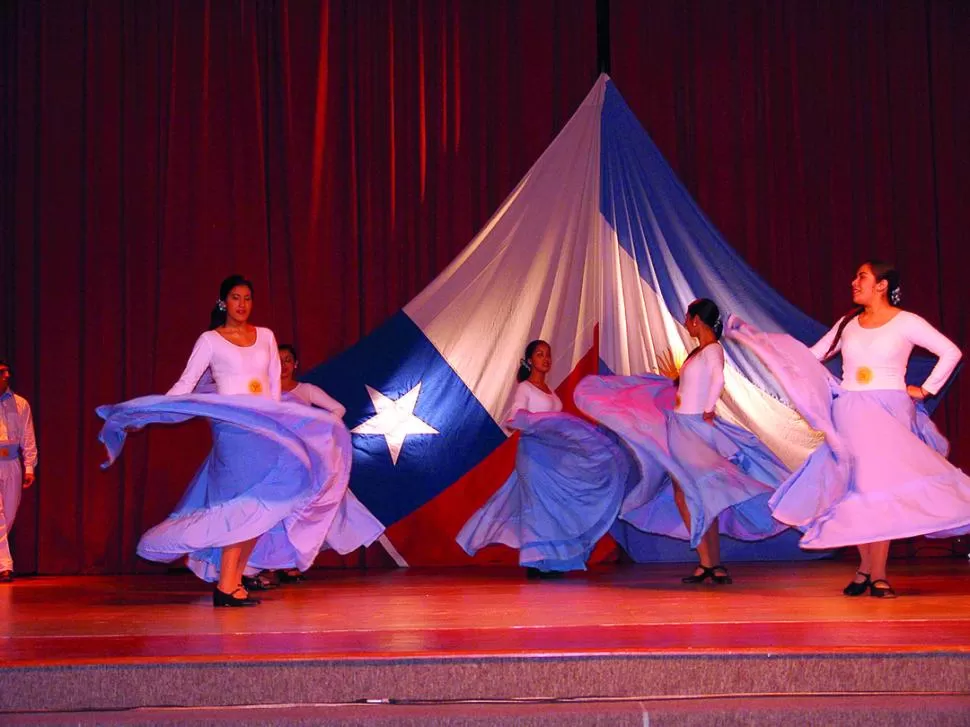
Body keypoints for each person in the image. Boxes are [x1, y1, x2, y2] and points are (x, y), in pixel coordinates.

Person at [97, 275, 354, 606]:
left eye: (247, 298)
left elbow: (274, 388)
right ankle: (227, 584)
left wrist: (283, 424)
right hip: (232, 430)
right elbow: (186, 385)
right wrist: (150, 415)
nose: (242, 304)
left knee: (266, 505)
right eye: (235, 298)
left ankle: (231, 583)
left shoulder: (266, 337)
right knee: (243, 504)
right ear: (223, 302)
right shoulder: (210, 340)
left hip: (265, 427)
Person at [727, 261, 967, 598]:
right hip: (852, 410)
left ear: (882, 285)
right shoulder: (849, 324)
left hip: (889, 411)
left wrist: (925, 389)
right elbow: (813, 356)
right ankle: (866, 570)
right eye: (855, 276)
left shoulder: (906, 322)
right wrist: (771, 351)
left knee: (880, 488)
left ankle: (877, 572)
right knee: (857, 489)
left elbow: (950, 352)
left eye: (862, 277)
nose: (854, 282)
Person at [576, 299, 790, 584]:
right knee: (698, 494)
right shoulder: (699, 352)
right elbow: (695, 383)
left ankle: (708, 562)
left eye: (688, 318)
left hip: (692, 427)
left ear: (697, 319)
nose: (686, 323)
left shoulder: (712, 349)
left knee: (689, 491)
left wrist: (709, 408)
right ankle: (711, 563)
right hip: (684, 425)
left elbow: (717, 380)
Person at [456, 340, 633, 577]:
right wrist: (535, 421)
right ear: (529, 361)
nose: (545, 358)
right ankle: (534, 563)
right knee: (536, 508)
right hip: (533, 455)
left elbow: (558, 425)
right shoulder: (525, 388)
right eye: (540, 354)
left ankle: (550, 562)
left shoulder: (549, 391)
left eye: (548, 354)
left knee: (553, 508)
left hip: (553, 458)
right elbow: (515, 416)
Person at [0, 360, 37, 583]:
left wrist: (29, 466)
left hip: (12, 462)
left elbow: (28, 437)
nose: (6, 375)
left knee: (9, 514)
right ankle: (5, 566)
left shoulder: (20, 404)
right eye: (2, 372)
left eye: (7, 372)